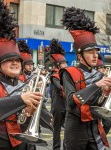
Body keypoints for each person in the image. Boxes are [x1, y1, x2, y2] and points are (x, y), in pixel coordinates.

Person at [0, 0, 43, 149]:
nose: (15, 63)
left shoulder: (26, 85)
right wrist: (21, 100)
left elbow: (46, 119)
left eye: (17, 60)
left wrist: (32, 110)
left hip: (26, 143)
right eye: (9, 60)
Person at [60, 7, 111, 150]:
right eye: (90, 52)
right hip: (76, 128)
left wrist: (106, 93)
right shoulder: (68, 72)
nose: (95, 55)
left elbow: (99, 105)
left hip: (95, 126)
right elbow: (70, 101)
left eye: (96, 52)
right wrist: (96, 86)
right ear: (79, 55)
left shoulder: (100, 75)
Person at [48, 38, 67, 150]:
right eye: (63, 63)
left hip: (66, 104)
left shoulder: (66, 74)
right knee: (57, 129)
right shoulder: (54, 75)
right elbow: (60, 88)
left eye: (65, 62)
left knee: (68, 128)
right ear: (58, 65)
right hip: (58, 105)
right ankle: (56, 148)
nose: (65, 64)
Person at [94, 54, 111, 135]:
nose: (103, 69)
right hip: (95, 106)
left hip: (104, 104)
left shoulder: (106, 77)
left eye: (103, 67)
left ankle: (101, 139)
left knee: (108, 123)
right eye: (101, 67)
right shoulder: (93, 79)